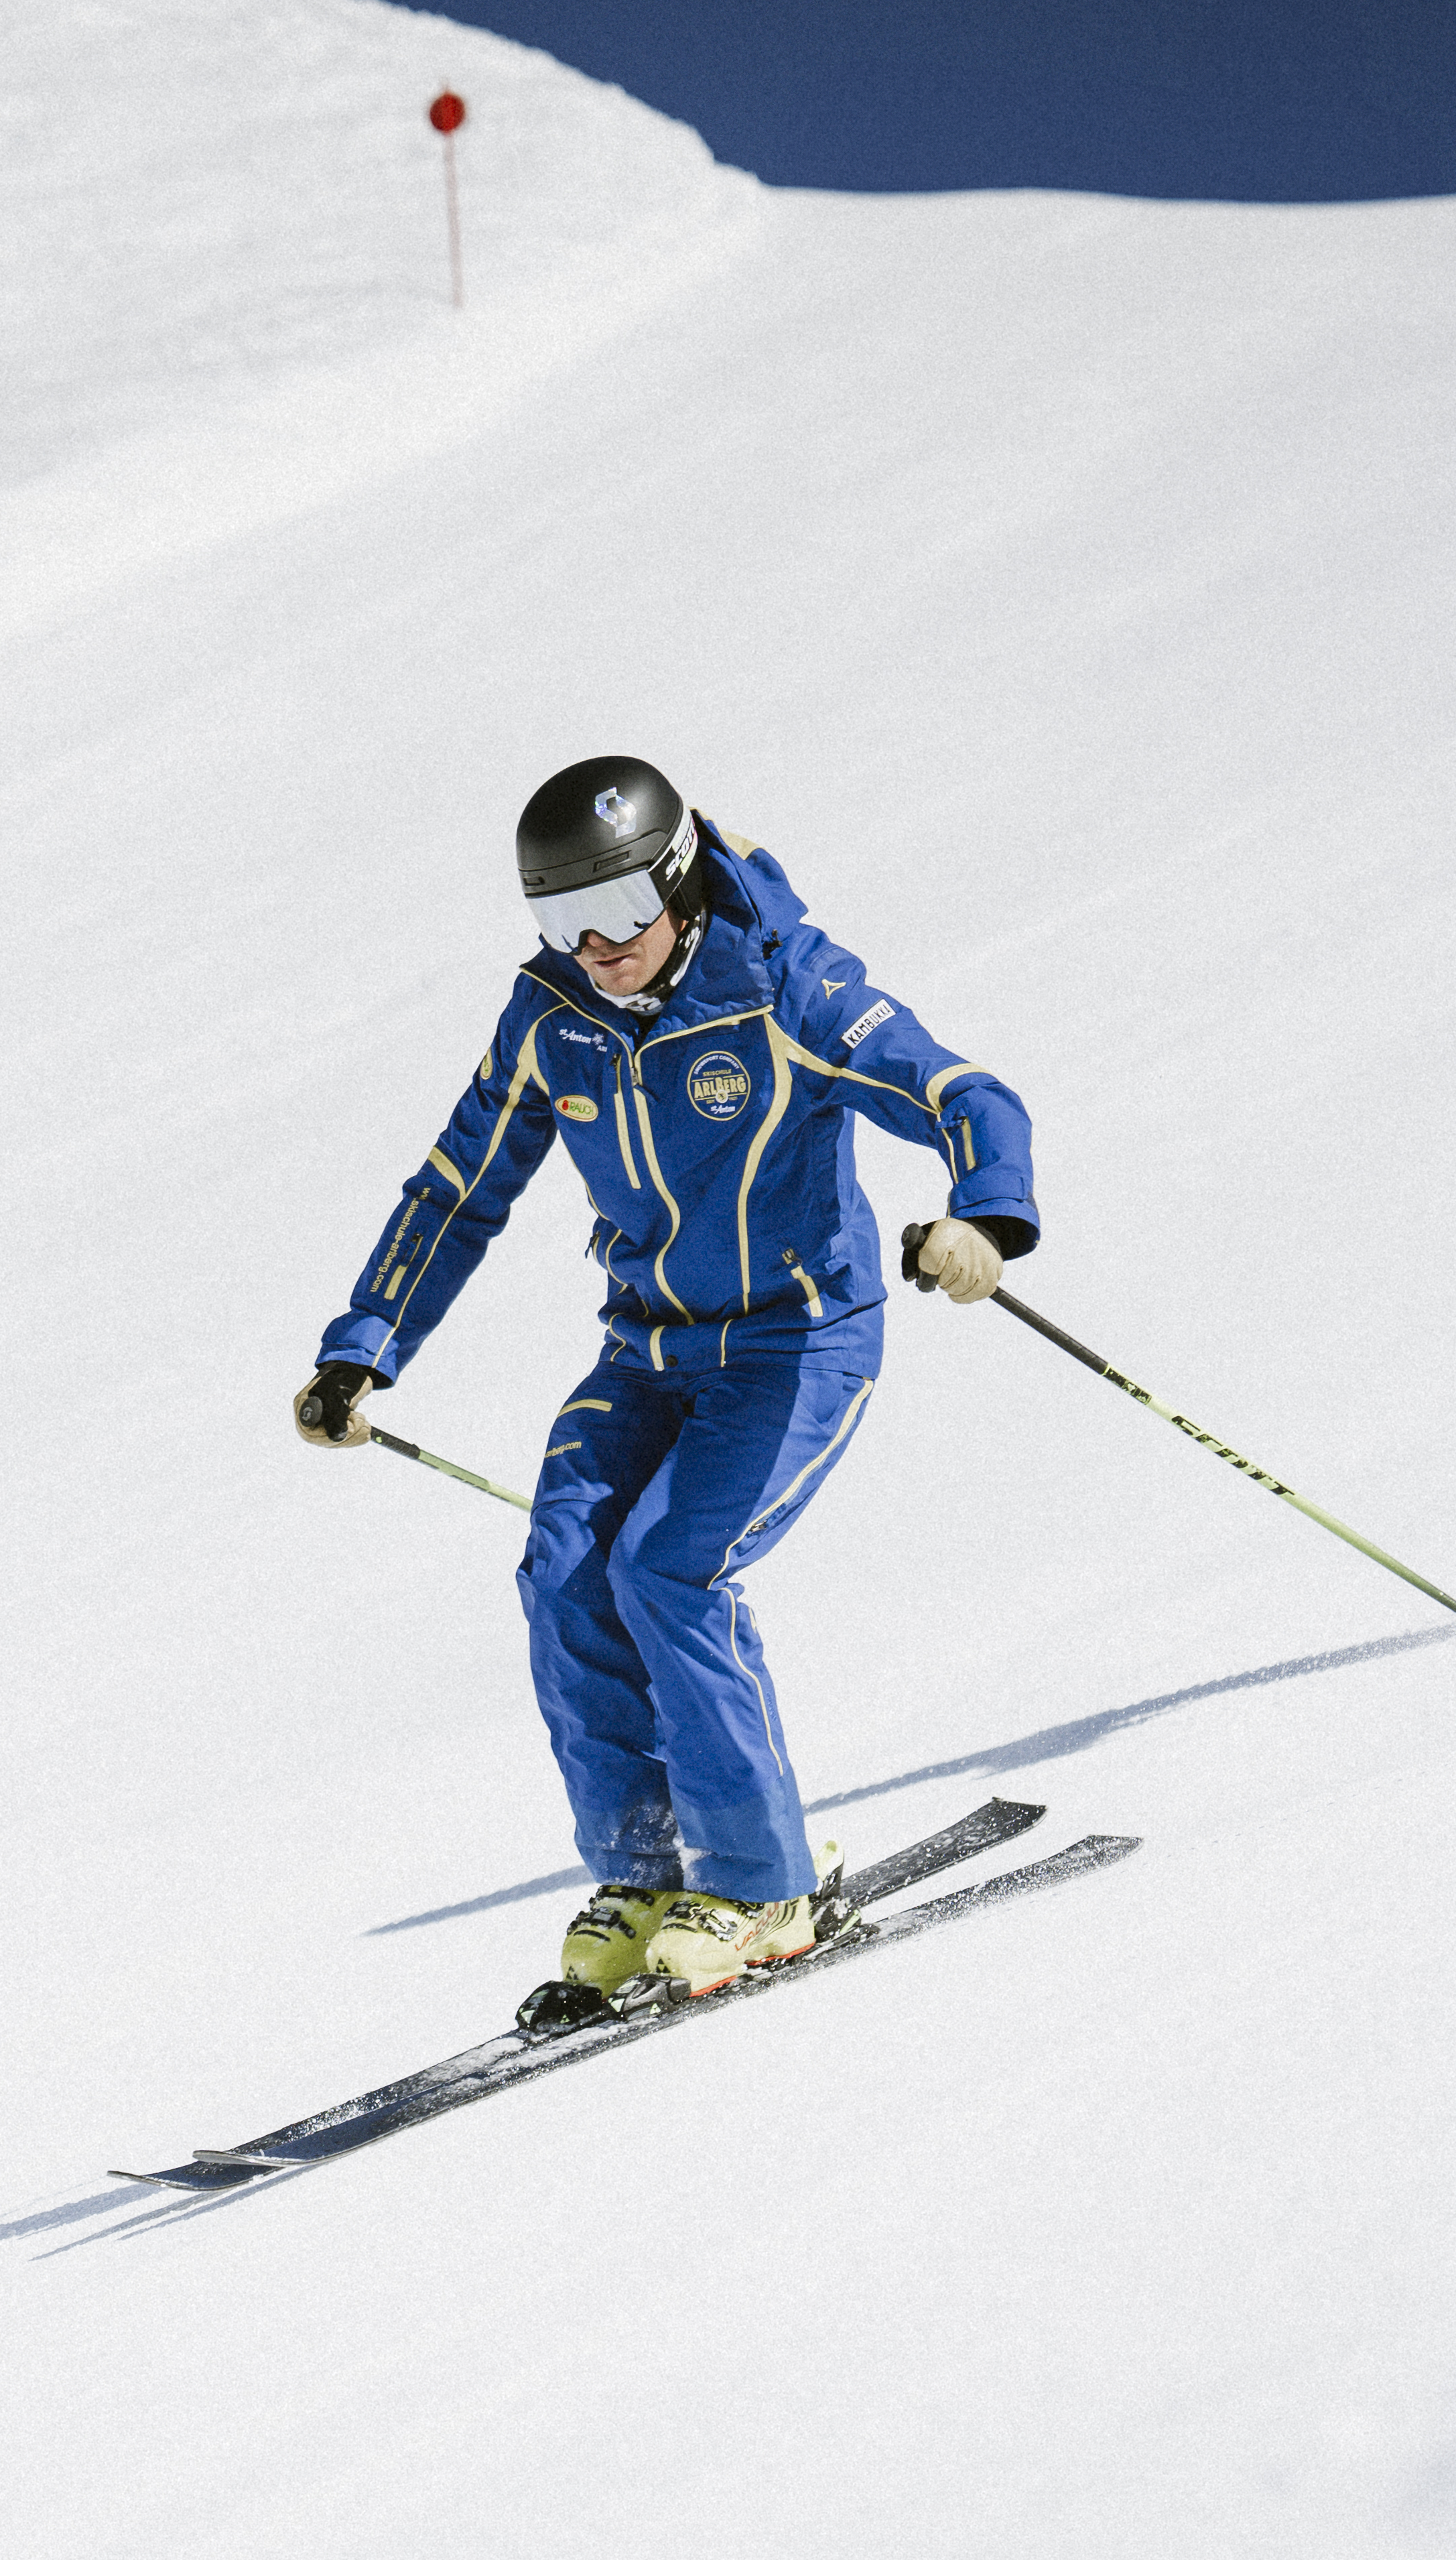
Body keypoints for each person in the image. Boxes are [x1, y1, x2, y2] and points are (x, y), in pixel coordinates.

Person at [297, 757, 1041, 2035]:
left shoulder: (783, 988)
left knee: (670, 1571)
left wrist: (986, 1219)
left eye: (625, 908)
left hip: (797, 1343)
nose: (598, 945)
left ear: (682, 880)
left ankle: (765, 1890)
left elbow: (961, 1094)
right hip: (647, 1348)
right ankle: (644, 1878)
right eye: (560, 921)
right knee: (564, 1566)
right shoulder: (553, 1019)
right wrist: (365, 1345)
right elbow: (458, 1184)